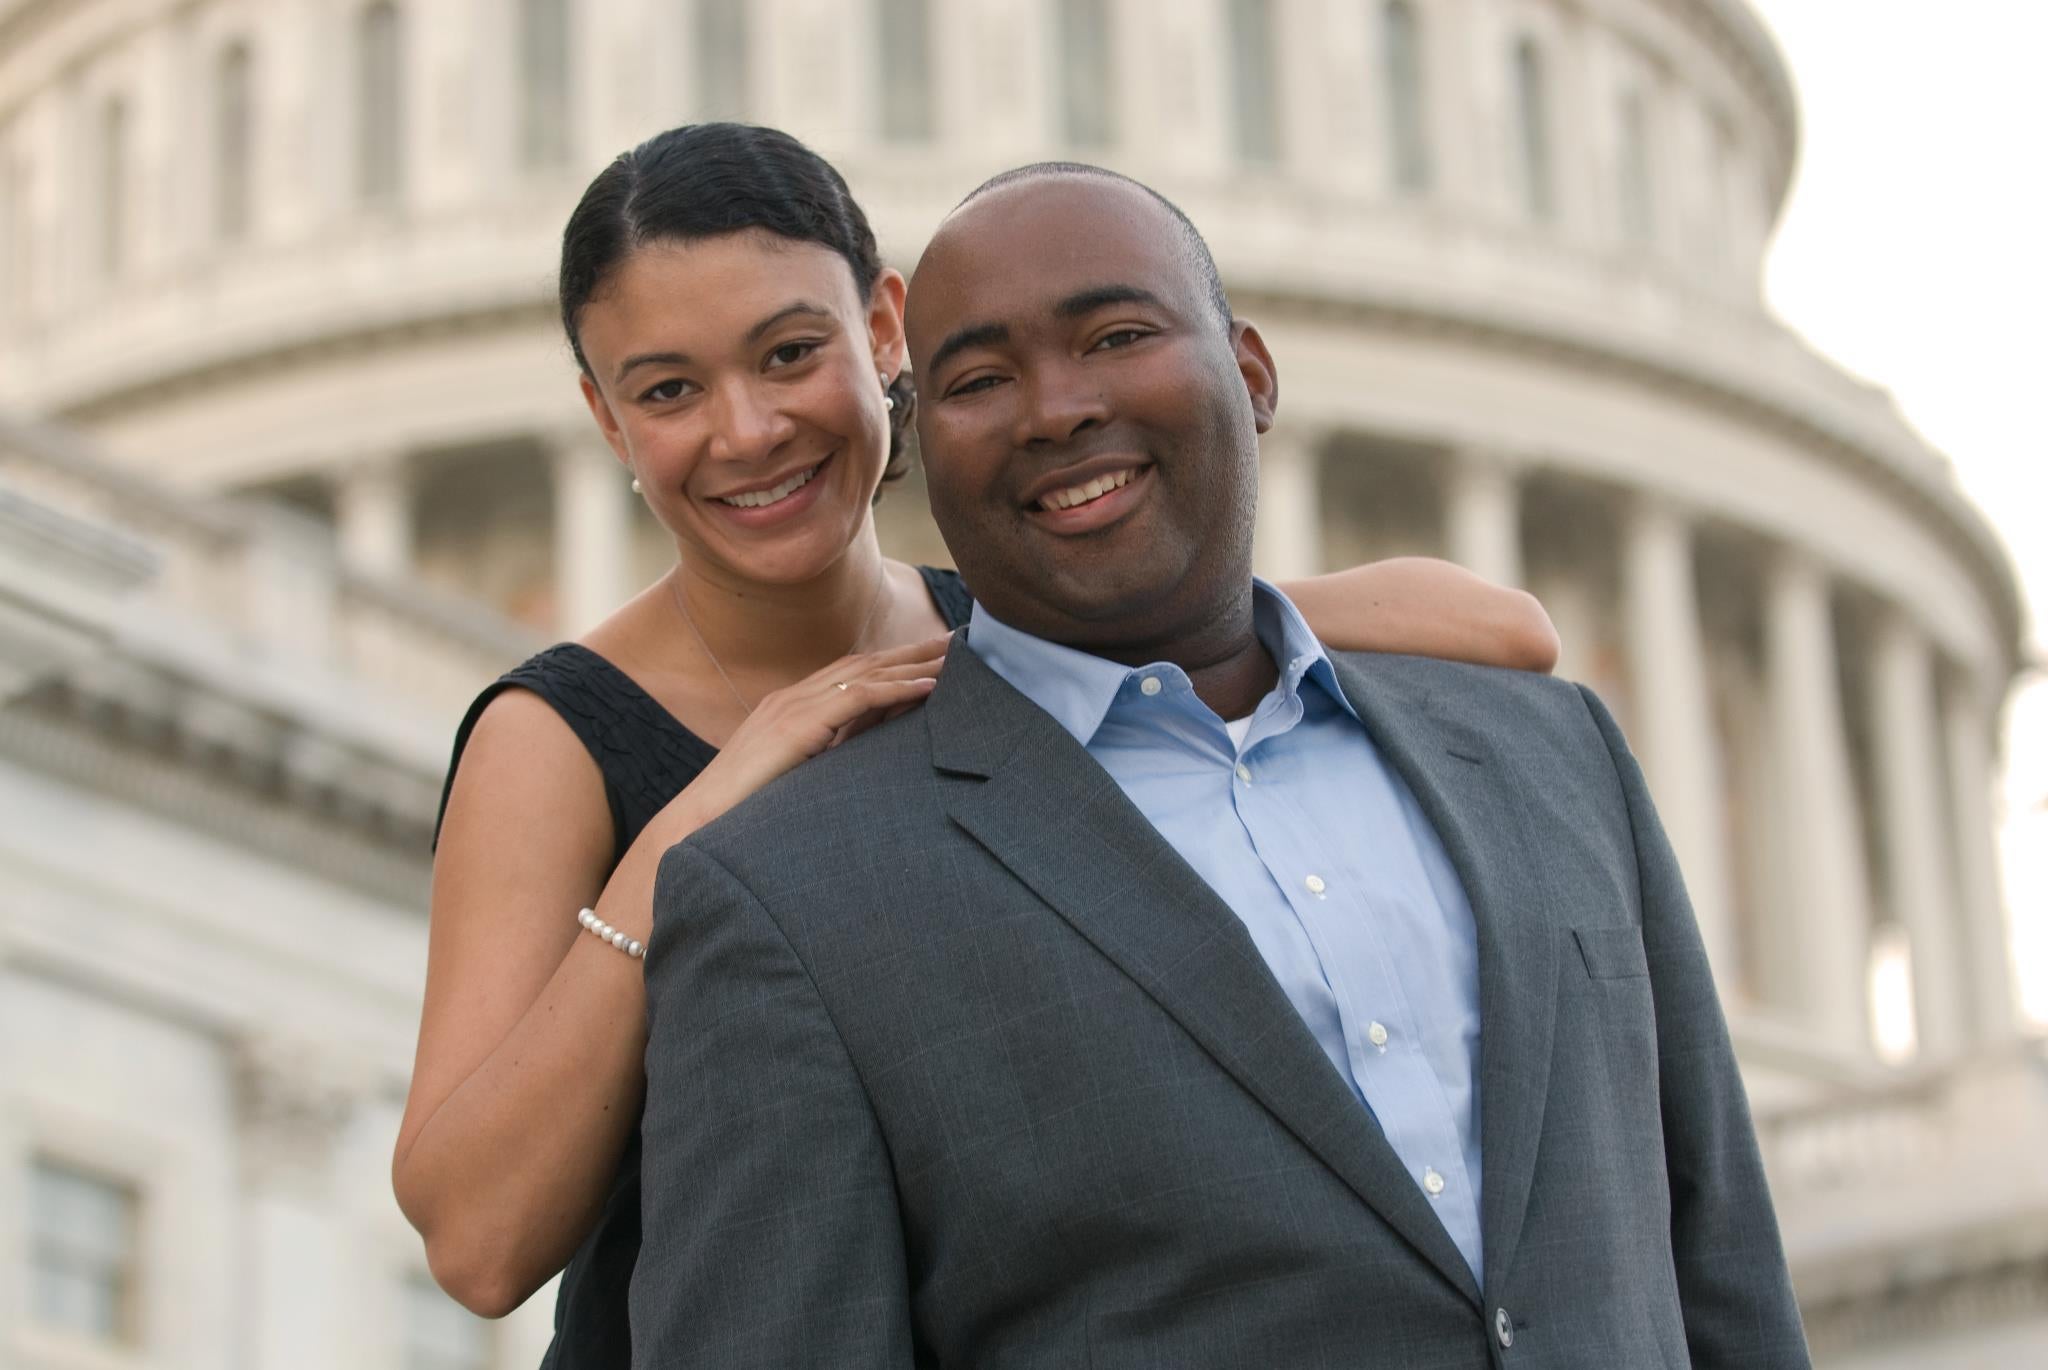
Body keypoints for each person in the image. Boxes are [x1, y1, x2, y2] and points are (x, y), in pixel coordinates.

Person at [391, 124, 1559, 1366]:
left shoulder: (1009, 637)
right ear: (607, 419)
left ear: (884, 330)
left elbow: (1506, 629)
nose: (746, 431)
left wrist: (1065, 639)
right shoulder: (555, 735)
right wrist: (699, 816)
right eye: (668, 390)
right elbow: (477, 1239)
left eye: (790, 354)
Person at [630, 162, 1810, 1368]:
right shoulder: (799, 897)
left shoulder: (1551, 755)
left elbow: (1718, 1268)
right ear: (922, 444)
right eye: (979, 379)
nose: (1054, 409)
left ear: (1251, 373)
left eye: (1117, 334)